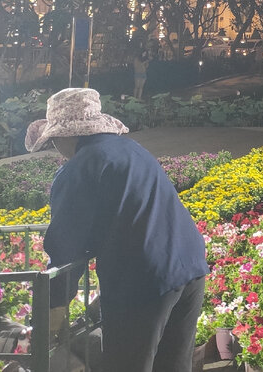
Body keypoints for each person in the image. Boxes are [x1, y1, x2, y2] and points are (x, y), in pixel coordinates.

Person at [26, 88, 208, 372]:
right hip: (190, 267)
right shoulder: (131, 149)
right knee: (173, 365)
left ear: (65, 135)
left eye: (52, 141)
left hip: (145, 279)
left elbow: (65, 245)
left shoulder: (80, 168)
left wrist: (54, 307)